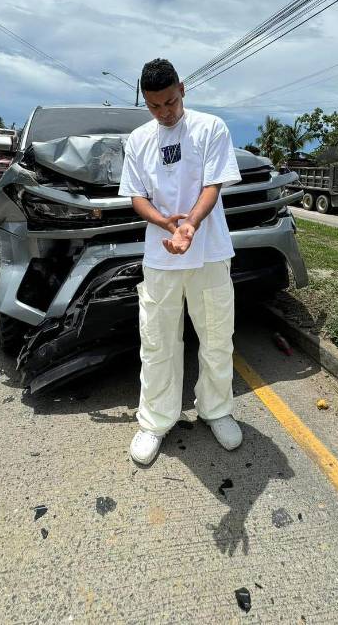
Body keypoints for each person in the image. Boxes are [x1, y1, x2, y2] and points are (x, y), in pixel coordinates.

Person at [119, 58, 243, 465]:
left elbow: (213, 185)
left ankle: (216, 409)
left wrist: (190, 224)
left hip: (208, 252)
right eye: (155, 106)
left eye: (170, 102)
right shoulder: (137, 139)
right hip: (160, 257)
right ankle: (155, 420)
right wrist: (163, 221)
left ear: (182, 89)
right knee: (157, 342)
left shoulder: (211, 128)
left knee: (216, 336)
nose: (164, 112)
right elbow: (136, 195)